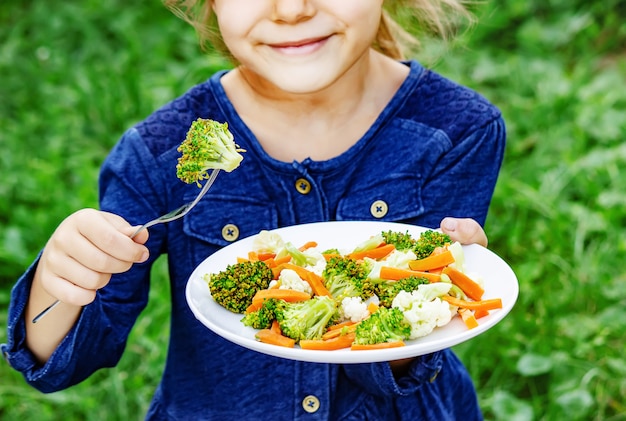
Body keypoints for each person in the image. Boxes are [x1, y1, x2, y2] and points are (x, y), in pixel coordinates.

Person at [2, 0, 506, 419]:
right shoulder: (161, 153)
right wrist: (59, 277)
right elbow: (62, 364)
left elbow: (398, 362)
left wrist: (438, 294)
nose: (291, 9)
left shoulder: (458, 130)